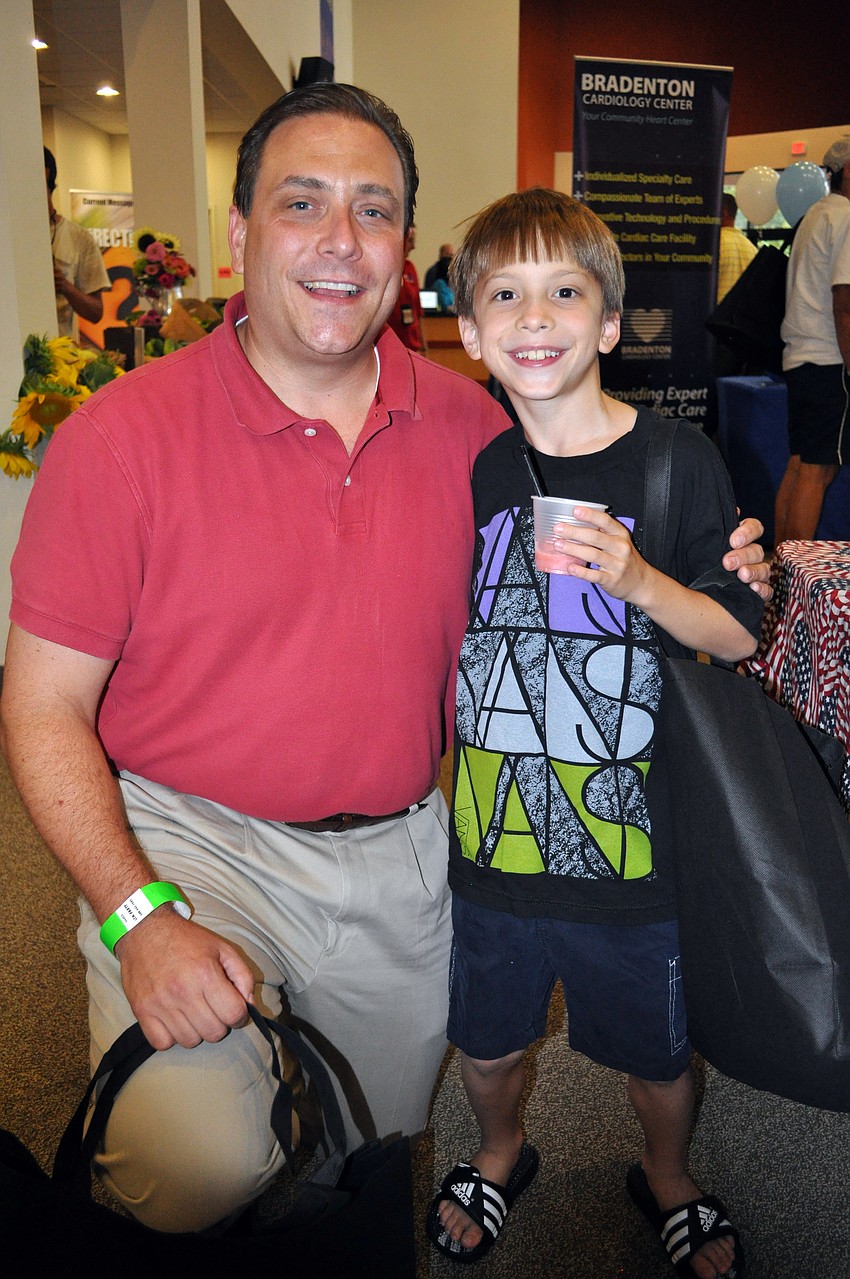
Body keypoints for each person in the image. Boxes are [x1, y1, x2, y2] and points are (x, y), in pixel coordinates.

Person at [1, 86, 770, 1238]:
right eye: (300, 202)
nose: (337, 241)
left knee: (379, 1135)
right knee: (194, 1168)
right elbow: (40, 708)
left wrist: (732, 567)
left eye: (373, 210)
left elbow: (628, 536)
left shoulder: (477, 437)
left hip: (417, 843)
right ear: (240, 234)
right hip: (196, 839)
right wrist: (137, 915)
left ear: (406, 251)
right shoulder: (118, 441)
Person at [425, 188, 760, 1278]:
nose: (535, 317)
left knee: (656, 1051)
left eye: (564, 292)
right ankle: (499, 1147)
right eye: (505, 296)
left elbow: (739, 632)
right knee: (485, 1043)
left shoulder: (674, 463)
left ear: (608, 322)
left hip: (633, 839)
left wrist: (640, 577)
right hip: (497, 835)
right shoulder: (477, 469)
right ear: (469, 331)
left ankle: (665, 1172)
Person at [775, 138, 850, 542]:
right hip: (830, 361)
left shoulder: (814, 215)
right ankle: (795, 585)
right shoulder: (848, 217)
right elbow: (845, 303)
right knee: (818, 471)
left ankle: (781, 576)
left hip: (801, 358)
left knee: (801, 466)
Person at [44, 146, 110, 338]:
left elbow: (96, 312)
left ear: (45, 173)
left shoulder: (79, 238)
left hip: (61, 357)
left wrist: (65, 286)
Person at [386, 221, 427, 351]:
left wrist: (424, 346)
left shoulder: (410, 269)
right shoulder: (386, 269)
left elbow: (417, 311)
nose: (413, 246)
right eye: (411, 241)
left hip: (412, 344)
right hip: (390, 345)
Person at [716, 193, 757, 305]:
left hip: (714, 316)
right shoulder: (752, 248)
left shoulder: (715, 244)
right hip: (740, 318)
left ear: (723, 213)